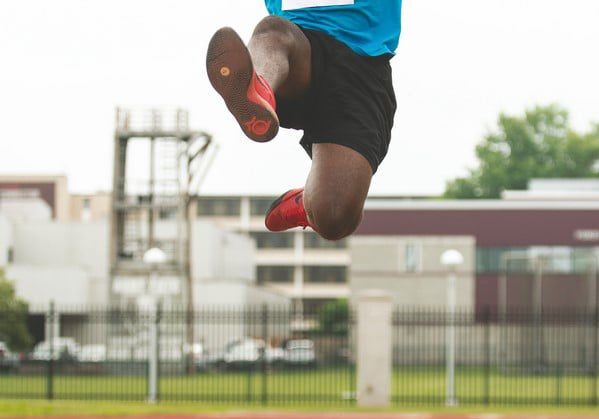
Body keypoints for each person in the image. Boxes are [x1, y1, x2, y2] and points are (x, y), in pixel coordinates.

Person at [206, 0, 402, 241]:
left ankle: (307, 202)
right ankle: (257, 89)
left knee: (334, 216)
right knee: (272, 33)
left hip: (362, 65)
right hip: (297, 51)